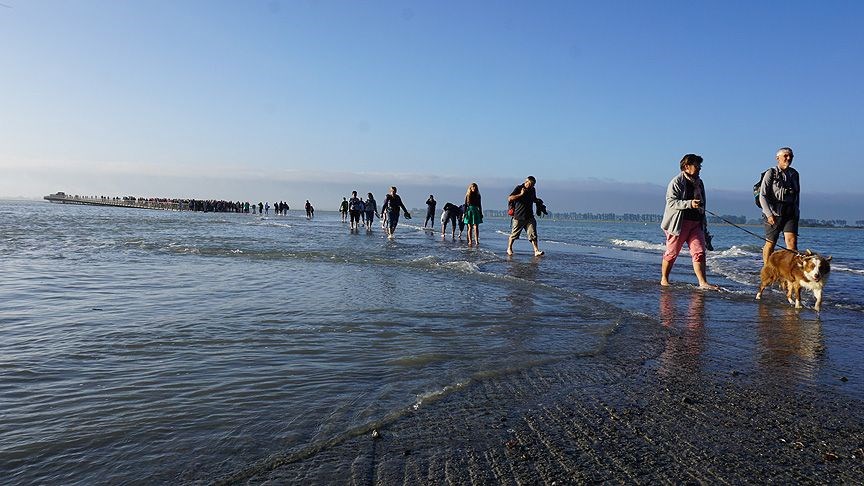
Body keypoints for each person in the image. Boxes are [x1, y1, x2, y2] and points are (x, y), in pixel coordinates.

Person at [660, 154, 718, 289]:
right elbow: (671, 202)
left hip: (696, 223)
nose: (699, 169)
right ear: (687, 167)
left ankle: (703, 283)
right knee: (672, 253)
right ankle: (664, 279)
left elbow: (703, 203)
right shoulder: (676, 182)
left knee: (699, 252)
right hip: (678, 224)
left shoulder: (700, 182)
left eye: (700, 166)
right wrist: (690, 203)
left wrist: (704, 222)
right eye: (697, 166)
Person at [759, 147, 800, 264]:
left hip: (790, 213)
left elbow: (797, 196)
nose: (788, 158)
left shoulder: (795, 174)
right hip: (774, 213)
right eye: (785, 156)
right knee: (771, 242)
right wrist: (769, 214)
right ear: (778, 158)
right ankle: (767, 269)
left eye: (790, 156)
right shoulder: (771, 172)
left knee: (792, 243)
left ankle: (791, 272)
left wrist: (797, 212)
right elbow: (763, 195)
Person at [506, 176, 544, 256]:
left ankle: (536, 251)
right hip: (519, 216)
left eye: (533, 184)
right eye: (530, 184)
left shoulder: (533, 190)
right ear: (526, 182)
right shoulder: (519, 188)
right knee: (514, 235)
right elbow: (510, 198)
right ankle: (509, 248)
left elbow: (533, 198)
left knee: (533, 234)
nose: (531, 186)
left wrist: (538, 201)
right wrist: (521, 194)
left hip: (529, 216)